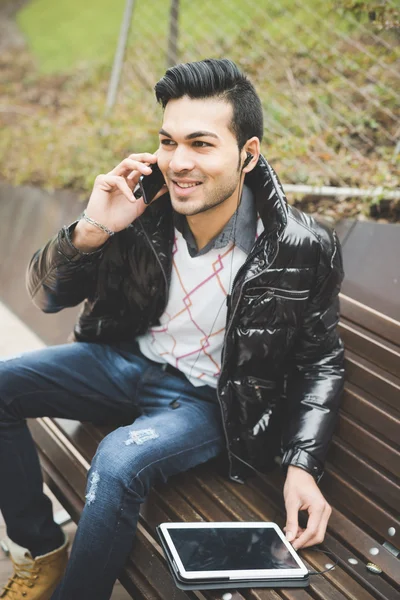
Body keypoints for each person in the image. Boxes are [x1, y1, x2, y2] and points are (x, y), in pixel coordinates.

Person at [0, 58, 345, 600]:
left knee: (117, 461)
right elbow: (46, 298)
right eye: (168, 141)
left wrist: (303, 465)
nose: (179, 162)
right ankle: (41, 550)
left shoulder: (299, 247)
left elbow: (320, 360)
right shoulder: (141, 210)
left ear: (248, 154)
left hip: (207, 402)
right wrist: (92, 231)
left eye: (202, 144)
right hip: (125, 363)